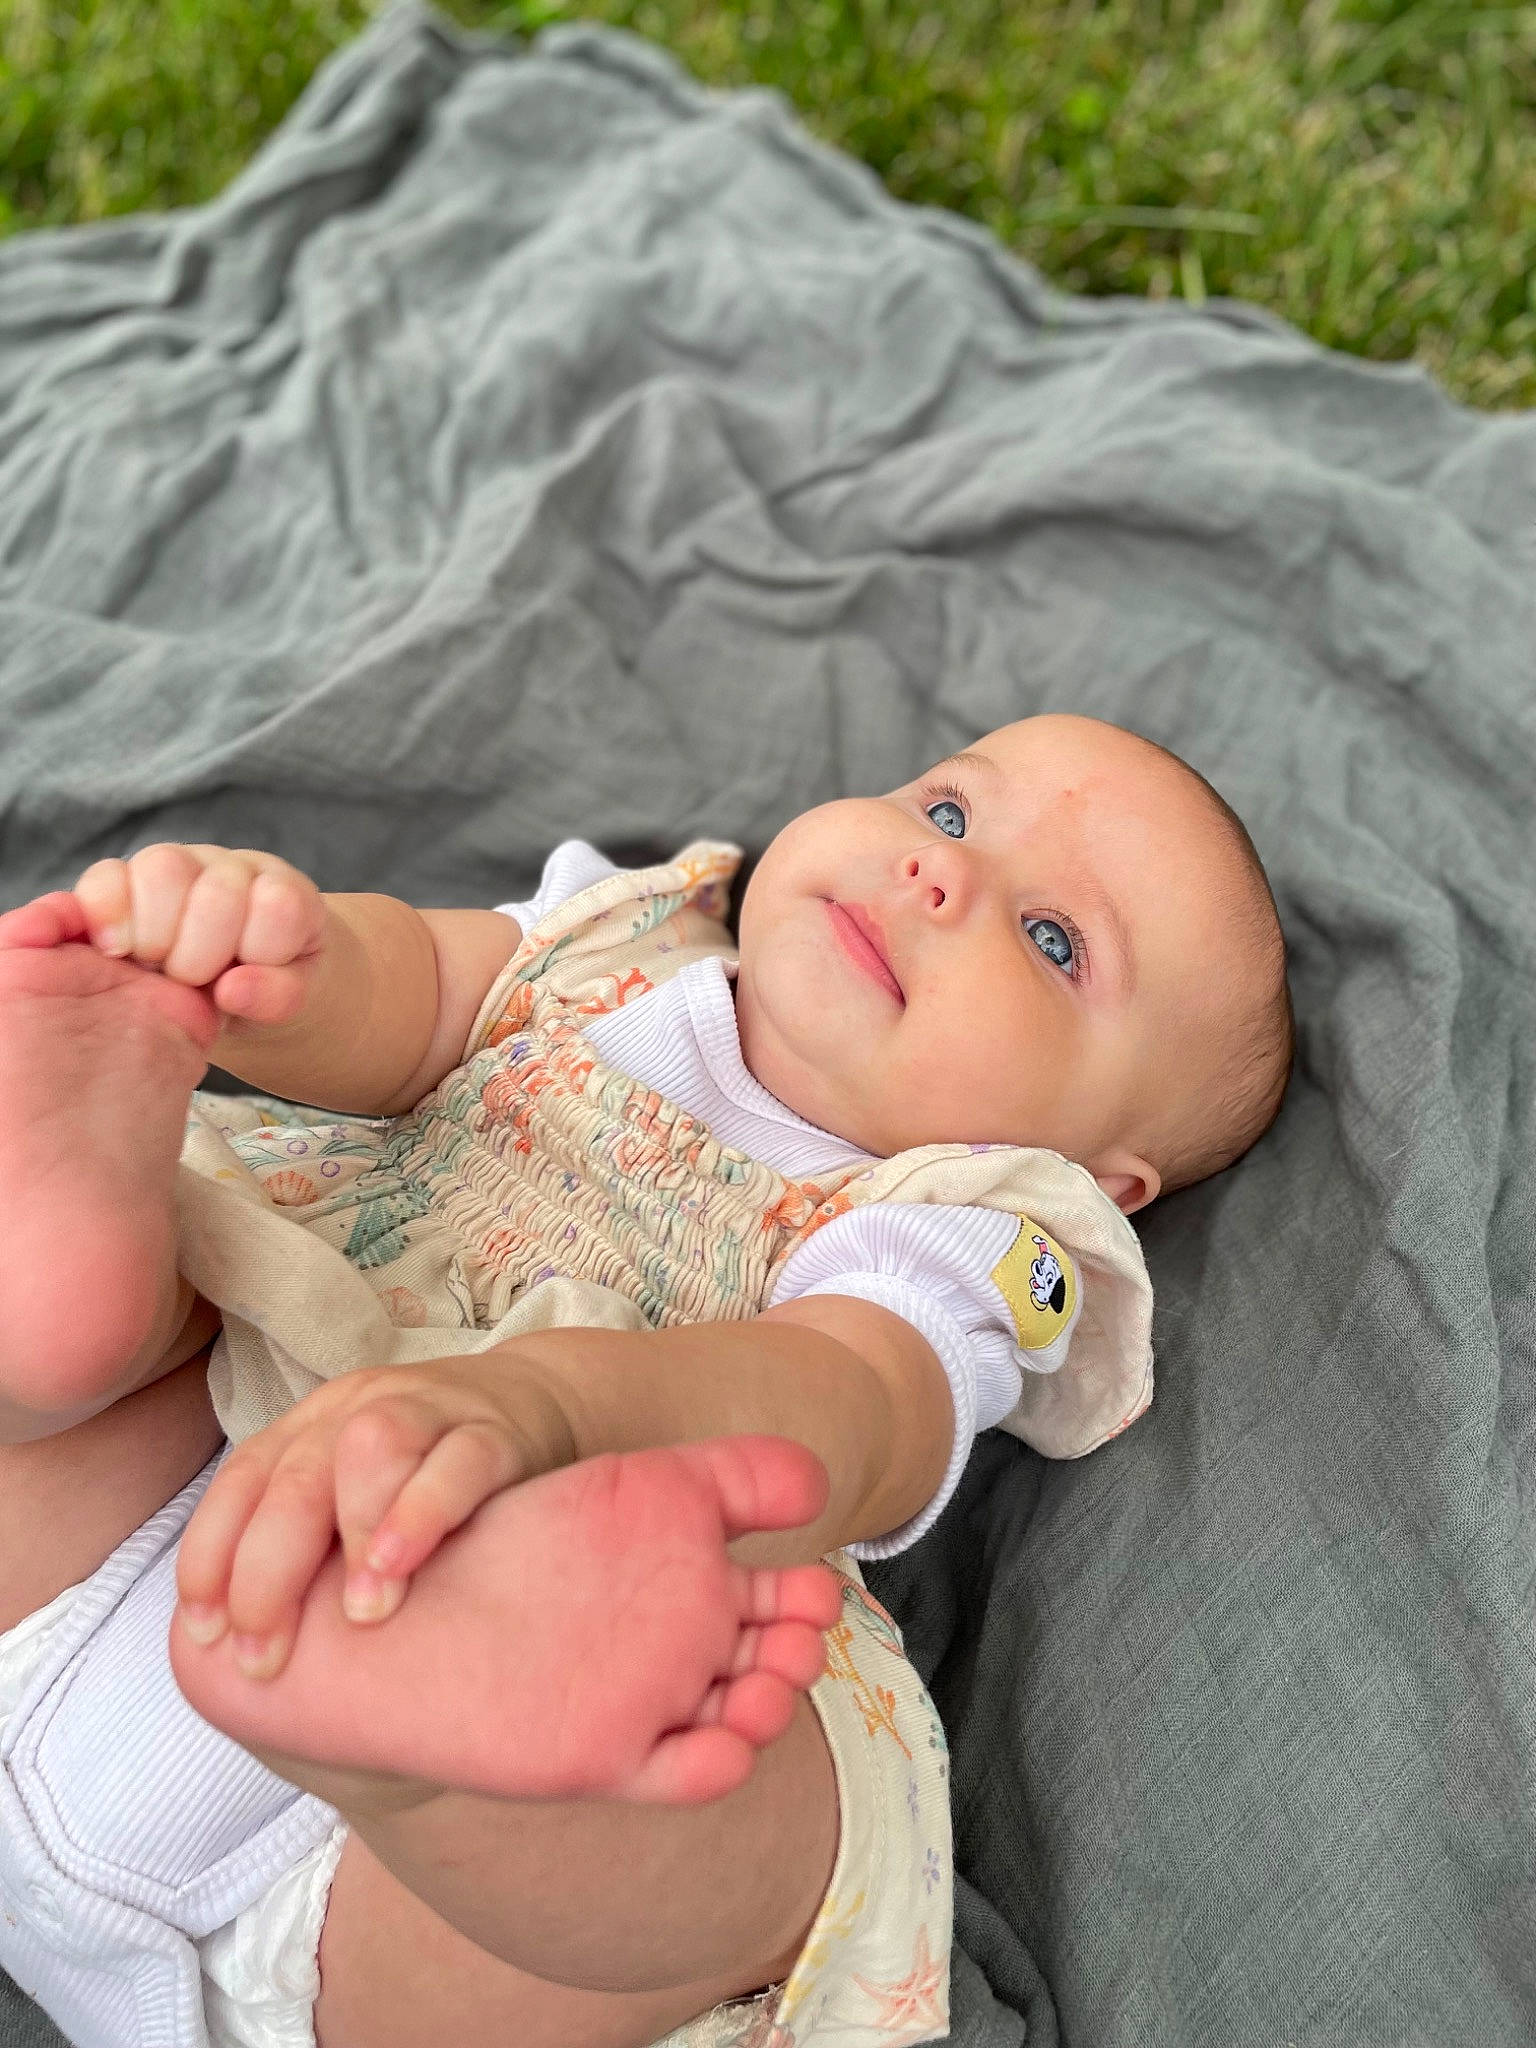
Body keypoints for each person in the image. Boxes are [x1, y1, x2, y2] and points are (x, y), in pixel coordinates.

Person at [0, 713, 1292, 2048]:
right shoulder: (620, 934)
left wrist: (568, 1408)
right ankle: (63, 1302)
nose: (937, 876)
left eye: (1054, 942)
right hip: (158, 1482)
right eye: (951, 813)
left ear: (1105, 1172)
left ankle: (448, 1754)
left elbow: (857, 1399)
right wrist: (288, 969)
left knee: (766, 1800)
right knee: (182, 1264)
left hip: (374, 1919)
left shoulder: (973, 1215)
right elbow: (415, 1005)